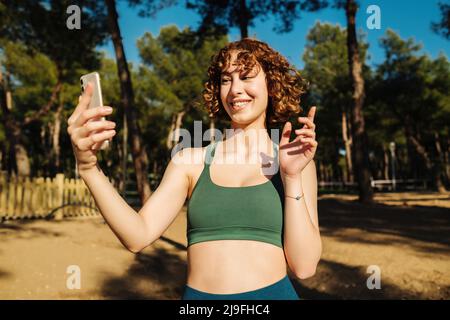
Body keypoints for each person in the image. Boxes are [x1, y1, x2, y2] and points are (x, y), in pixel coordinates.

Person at [67, 38, 321, 300]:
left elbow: (304, 267)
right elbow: (137, 236)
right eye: (226, 79)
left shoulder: (297, 164)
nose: (235, 90)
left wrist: (290, 178)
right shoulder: (190, 161)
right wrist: (88, 168)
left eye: (246, 77)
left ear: (272, 85)